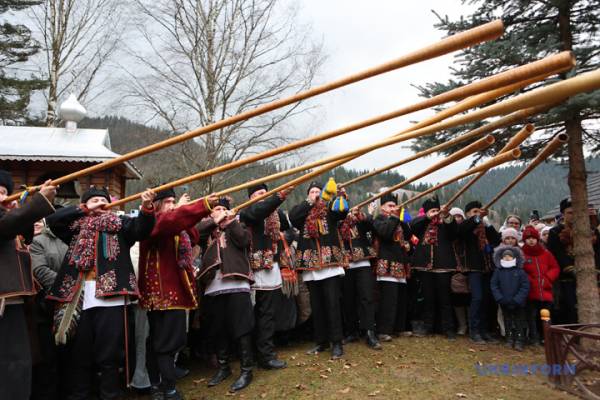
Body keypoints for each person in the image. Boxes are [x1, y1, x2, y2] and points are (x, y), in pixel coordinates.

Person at [46, 186, 156, 400]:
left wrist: (146, 207)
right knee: (79, 354)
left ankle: (110, 395)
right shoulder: (76, 227)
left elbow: (142, 228)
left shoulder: (121, 224)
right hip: (78, 297)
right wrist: (82, 209)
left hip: (111, 298)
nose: (99, 203)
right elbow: (53, 220)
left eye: (102, 199)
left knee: (110, 356)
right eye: (94, 199)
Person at [138, 188, 217, 400]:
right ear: (157, 205)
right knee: (164, 342)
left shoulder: (175, 224)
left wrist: (186, 213)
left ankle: (158, 386)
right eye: (168, 202)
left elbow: (193, 234)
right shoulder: (153, 222)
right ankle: (166, 387)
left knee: (168, 341)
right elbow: (170, 222)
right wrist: (199, 206)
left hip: (176, 294)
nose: (172, 205)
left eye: (174, 201)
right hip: (162, 295)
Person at [0, 171, 57, 400]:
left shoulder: (8, 217)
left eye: (4, 191)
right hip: (3, 301)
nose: (2, 195)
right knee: (9, 365)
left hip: (14, 302)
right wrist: (38, 202)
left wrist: (20, 208)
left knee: (18, 364)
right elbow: (6, 227)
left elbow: (23, 232)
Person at [197, 197, 255, 393]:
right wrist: (214, 221)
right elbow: (195, 234)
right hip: (213, 286)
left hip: (237, 282)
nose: (220, 211)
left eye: (223, 209)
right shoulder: (206, 229)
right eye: (216, 209)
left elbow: (244, 240)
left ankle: (247, 370)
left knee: (242, 326)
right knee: (218, 328)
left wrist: (230, 222)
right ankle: (224, 368)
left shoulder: (238, 225)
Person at [288, 179, 348, 359]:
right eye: (312, 191)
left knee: (332, 304)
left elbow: (342, 212)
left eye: (318, 191)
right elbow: (293, 217)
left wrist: (340, 196)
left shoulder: (329, 209)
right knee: (317, 306)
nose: (315, 194)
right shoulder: (301, 211)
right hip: (311, 266)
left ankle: (337, 342)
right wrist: (310, 202)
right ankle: (321, 341)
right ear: (308, 195)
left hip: (329, 265)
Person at [239, 183, 295, 369]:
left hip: (272, 267)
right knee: (255, 315)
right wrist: (278, 196)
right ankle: (255, 354)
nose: (264, 196)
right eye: (259, 193)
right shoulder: (248, 211)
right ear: (251, 198)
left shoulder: (275, 213)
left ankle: (266, 355)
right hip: (255, 268)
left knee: (268, 314)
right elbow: (259, 211)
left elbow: (289, 226)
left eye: (266, 192)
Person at [30, 215, 69, 400]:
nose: (36, 223)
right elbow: (40, 270)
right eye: (32, 220)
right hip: (39, 308)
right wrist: (68, 285)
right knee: (44, 359)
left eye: (40, 220)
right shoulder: (31, 242)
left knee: (64, 357)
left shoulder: (65, 239)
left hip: (66, 305)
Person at [410, 196, 458, 339]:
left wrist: (446, 215)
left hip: (443, 267)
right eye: (432, 211)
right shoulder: (422, 223)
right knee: (428, 298)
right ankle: (428, 327)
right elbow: (411, 226)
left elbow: (454, 232)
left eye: (437, 210)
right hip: (425, 267)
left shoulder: (445, 224)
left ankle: (448, 328)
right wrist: (426, 217)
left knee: (445, 299)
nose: (435, 213)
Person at [546, 198, 600, 323]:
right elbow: (557, 254)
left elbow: (597, 253)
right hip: (566, 279)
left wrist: (595, 270)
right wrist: (572, 270)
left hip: (590, 276)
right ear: (563, 214)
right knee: (569, 309)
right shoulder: (555, 232)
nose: (573, 215)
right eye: (570, 212)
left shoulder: (592, 232)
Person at [338, 198, 381, 350]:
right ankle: (351, 331)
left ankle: (369, 332)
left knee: (367, 297)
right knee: (348, 299)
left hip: (363, 262)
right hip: (345, 264)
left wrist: (362, 215)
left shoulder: (360, 219)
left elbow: (372, 226)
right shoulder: (337, 219)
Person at [457, 201, 501, 344]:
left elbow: (496, 239)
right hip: (473, 267)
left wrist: (487, 224)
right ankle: (474, 331)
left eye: (479, 211)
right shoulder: (466, 226)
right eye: (474, 211)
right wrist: (476, 219)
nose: (477, 214)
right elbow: (462, 231)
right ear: (468, 213)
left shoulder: (484, 227)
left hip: (487, 267)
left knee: (486, 299)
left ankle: (484, 330)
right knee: (477, 298)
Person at [372, 193, 413, 342]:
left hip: (400, 263)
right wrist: (395, 217)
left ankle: (399, 327)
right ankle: (383, 330)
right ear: (382, 207)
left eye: (394, 206)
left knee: (401, 299)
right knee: (388, 299)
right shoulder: (379, 220)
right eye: (390, 205)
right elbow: (386, 233)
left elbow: (409, 234)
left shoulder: (398, 220)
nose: (392, 208)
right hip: (386, 263)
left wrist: (402, 218)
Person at [521, 225, 559, 346]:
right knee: (531, 316)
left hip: (545, 290)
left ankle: (547, 337)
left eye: (533, 238)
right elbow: (520, 270)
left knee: (546, 316)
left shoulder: (546, 253)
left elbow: (555, 267)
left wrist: (548, 278)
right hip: (530, 292)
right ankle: (534, 337)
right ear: (524, 240)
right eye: (528, 238)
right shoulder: (521, 254)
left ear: (537, 239)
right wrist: (529, 281)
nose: (531, 240)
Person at [490, 246, 529, 351]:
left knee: (519, 321)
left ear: (514, 258)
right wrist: (500, 298)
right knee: (507, 320)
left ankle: (520, 340)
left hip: (518, 303)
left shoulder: (520, 271)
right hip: (504, 302)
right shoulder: (498, 271)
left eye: (510, 256)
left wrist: (518, 299)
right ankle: (509, 338)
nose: (507, 258)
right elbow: (494, 285)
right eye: (505, 256)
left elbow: (525, 286)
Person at [449, 207, 469, 336]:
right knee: (457, 298)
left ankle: (470, 324)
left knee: (470, 298)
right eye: (454, 217)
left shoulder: (468, 232)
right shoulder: (448, 233)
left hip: (468, 266)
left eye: (459, 216)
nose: (457, 219)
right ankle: (462, 325)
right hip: (453, 268)